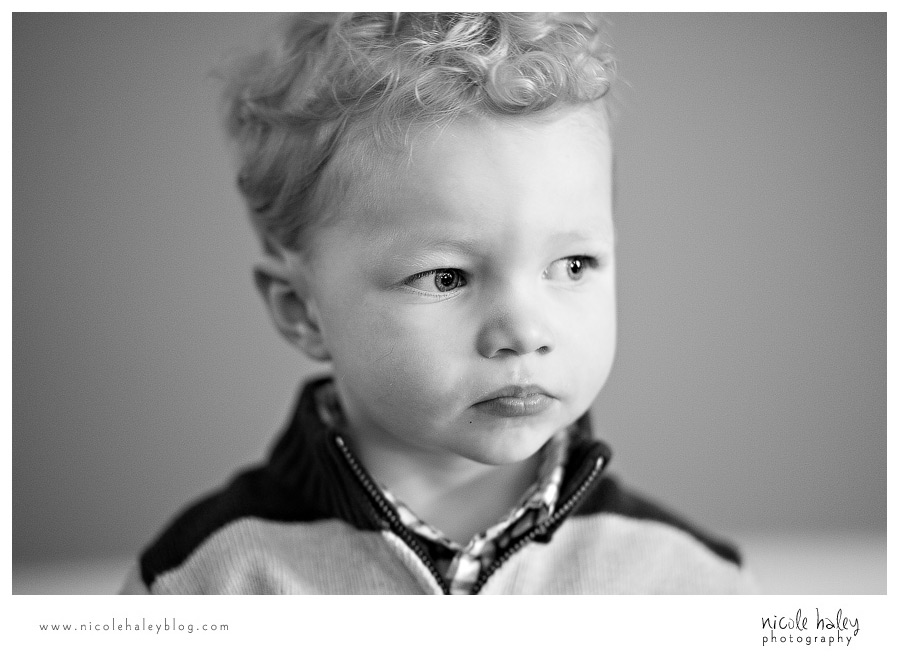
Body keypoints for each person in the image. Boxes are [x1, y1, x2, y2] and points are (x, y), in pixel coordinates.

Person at [121, 12, 755, 594]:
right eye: (447, 277)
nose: (525, 331)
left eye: (571, 265)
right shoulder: (207, 580)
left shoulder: (686, 584)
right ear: (301, 309)